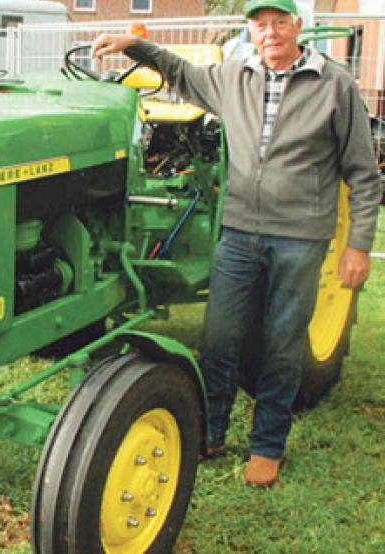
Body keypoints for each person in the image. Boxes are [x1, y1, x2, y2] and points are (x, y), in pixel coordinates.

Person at [91, 0, 380, 487]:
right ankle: (211, 431)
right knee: (219, 338)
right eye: (260, 24)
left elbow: (363, 174)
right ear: (251, 30)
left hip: (301, 238)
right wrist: (134, 45)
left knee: (283, 345)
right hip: (240, 233)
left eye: (279, 22)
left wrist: (356, 245)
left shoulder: (335, 85)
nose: (270, 33)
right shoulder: (234, 76)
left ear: (297, 26)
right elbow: (181, 73)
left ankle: (267, 446)